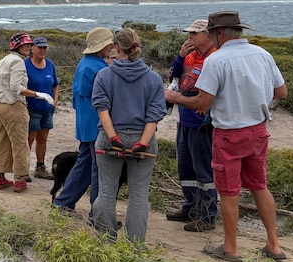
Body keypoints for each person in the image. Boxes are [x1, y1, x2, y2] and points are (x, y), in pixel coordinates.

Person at [165, 11, 287, 262]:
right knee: (259, 186)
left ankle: (230, 248)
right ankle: (273, 245)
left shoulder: (217, 60)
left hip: (229, 132)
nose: (209, 37)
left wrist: (175, 97)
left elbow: (203, 101)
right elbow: (281, 92)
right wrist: (253, 101)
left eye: (210, 32)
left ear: (220, 33)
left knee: (229, 190)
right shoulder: (263, 54)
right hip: (259, 130)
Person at [91, 28, 166, 242]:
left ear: (116, 48)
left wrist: (114, 137)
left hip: (109, 140)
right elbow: (155, 114)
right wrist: (143, 142)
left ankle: (107, 242)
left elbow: (102, 109)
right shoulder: (153, 78)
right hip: (143, 139)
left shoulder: (104, 75)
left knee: (106, 192)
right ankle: (135, 247)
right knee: (139, 196)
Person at [52, 27, 114, 217]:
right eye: (109, 43)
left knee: (84, 165)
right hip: (96, 124)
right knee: (99, 170)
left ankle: (63, 202)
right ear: (101, 46)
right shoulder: (99, 68)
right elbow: (107, 98)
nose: (112, 46)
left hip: (85, 122)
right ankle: (97, 214)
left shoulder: (84, 64)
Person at [164, 19, 218, 232]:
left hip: (202, 122)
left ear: (207, 34)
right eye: (189, 33)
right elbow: (174, 76)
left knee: (203, 170)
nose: (190, 37)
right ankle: (190, 206)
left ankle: (207, 215)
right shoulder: (191, 55)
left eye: (195, 33)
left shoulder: (214, 57)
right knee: (185, 167)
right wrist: (179, 56)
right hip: (184, 117)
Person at [0, 33, 49, 193]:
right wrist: (37, 94)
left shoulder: (4, 60)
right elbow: (17, 88)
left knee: (1, 141)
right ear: (17, 46)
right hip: (13, 105)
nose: (29, 47)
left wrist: (1, 87)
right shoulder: (18, 62)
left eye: (29, 45)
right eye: (26, 45)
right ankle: (20, 179)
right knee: (20, 142)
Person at [25, 36, 59, 180]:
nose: (43, 50)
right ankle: (23, 168)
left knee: (43, 138)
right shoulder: (25, 64)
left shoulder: (50, 65)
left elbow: (55, 84)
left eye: (45, 48)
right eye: (40, 47)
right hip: (32, 108)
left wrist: (55, 100)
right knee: (29, 139)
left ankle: (40, 167)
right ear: (32, 48)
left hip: (47, 108)